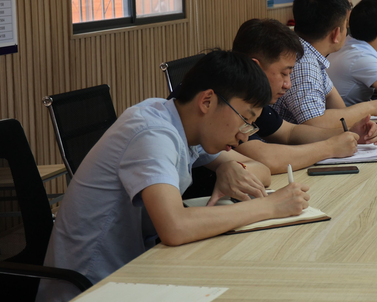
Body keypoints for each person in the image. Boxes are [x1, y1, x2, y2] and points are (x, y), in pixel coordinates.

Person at [37, 51, 311, 301]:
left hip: (136, 270)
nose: (244, 135)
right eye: (245, 120)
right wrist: (270, 206)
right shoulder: (153, 134)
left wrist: (226, 166)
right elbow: (175, 227)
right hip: (92, 287)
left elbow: (260, 171)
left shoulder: (179, 120)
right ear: (207, 101)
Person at [231, 18, 377, 173]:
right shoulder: (231, 103)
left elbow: (290, 133)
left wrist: (350, 133)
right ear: (256, 67)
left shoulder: (254, 101)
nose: (288, 84)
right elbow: (267, 159)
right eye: (284, 73)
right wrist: (330, 148)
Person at [273, 0, 377, 129]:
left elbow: (338, 107)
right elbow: (314, 123)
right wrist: (372, 107)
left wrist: (357, 127)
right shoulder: (303, 62)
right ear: (336, 33)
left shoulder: (311, 55)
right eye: (345, 24)